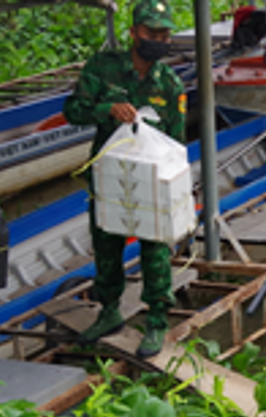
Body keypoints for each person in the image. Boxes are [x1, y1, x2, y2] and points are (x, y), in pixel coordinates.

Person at [62, 0, 186, 355]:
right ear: (134, 33)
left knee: (154, 247)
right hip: (110, 175)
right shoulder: (103, 69)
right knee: (106, 242)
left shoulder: (170, 83)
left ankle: (157, 321)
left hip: (152, 179)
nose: (159, 40)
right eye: (152, 33)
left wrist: (180, 189)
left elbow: (176, 144)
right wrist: (106, 110)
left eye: (164, 34)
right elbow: (72, 110)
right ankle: (110, 311)